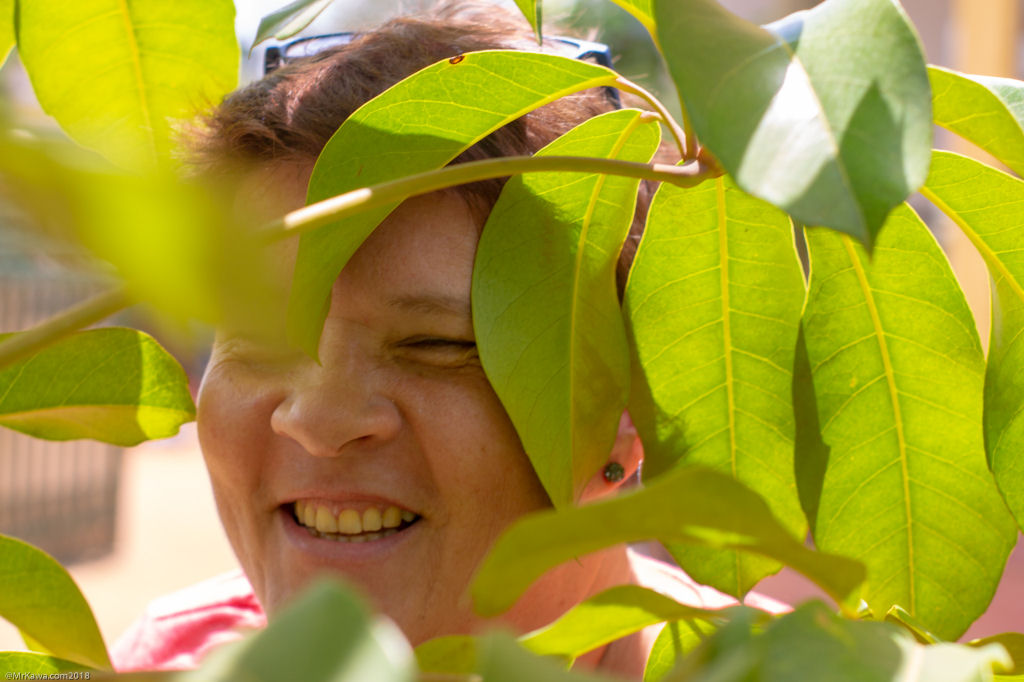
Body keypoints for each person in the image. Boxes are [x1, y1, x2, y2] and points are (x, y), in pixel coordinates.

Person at [112, 2, 784, 676]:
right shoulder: (165, 660)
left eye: (437, 346)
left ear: (631, 408)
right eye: (260, 343)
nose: (317, 420)